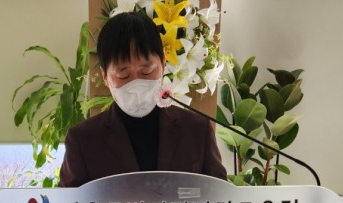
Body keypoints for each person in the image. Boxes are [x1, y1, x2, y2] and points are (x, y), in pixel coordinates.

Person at [58, 10, 227, 187]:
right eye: (123, 75)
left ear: (162, 63)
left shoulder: (197, 130)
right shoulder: (83, 139)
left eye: (146, 71)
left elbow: (222, 196)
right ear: (105, 76)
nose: (136, 83)